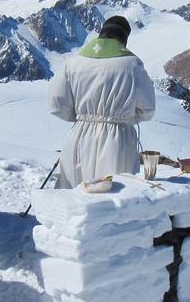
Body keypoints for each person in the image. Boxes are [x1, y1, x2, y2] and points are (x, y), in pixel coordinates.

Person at [47, 15, 156, 188]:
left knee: (75, 194)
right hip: (117, 139)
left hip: (79, 136)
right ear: (124, 37)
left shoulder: (75, 62)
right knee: (111, 196)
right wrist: (125, 118)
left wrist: (83, 117)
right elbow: (147, 108)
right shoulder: (132, 64)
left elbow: (57, 104)